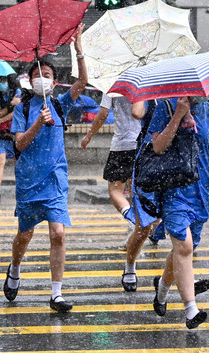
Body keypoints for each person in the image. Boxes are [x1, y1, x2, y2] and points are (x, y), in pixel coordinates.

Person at [3, 26, 86, 313]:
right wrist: (38, 122)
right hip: (28, 179)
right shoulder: (24, 110)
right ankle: (14, 267)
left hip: (55, 179)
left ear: (55, 82)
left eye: (47, 76)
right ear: (29, 80)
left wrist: (78, 47)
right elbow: (20, 144)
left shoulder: (61, 104)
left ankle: (56, 294)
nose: (41, 80)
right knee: (24, 234)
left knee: (58, 234)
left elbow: (83, 82)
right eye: (37, 75)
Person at [147, 96, 209, 329]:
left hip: (201, 193)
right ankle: (191, 310)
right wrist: (179, 115)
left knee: (183, 250)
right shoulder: (167, 107)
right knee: (184, 246)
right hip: (173, 191)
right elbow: (158, 147)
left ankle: (161, 288)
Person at [80, 92, 153, 292]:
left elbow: (103, 114)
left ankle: (130, 217)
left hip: (122, 145)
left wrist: (89, 135)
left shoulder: (113, 85)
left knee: (115, 190)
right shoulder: (145, 82)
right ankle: (143, 219)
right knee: (138, 191)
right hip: (146, 144)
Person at [0, 74, 22, 202]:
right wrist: (11, 104)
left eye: (2, 80)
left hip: (15, 133)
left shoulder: (17, 92)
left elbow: (16, 112)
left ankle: (22, 187)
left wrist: (3, 118)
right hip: (1, 134)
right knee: (0, 160)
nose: (0, 83)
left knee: (18, 161)